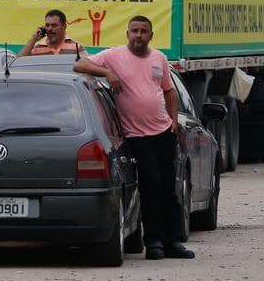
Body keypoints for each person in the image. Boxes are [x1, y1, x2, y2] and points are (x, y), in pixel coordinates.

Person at [73, 15, 194, 261]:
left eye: (144, 31)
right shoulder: (114, 56)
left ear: (151, 35)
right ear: (127, 34)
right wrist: (108, 73)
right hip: (137, 136)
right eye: (135, 31)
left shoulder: (158, 58)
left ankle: (173, 242)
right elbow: (80, 66)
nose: (139, 35)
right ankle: (154, 243)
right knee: (150, 186)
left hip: (163, 131)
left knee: (169, 189)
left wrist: (172, 121)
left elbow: (169, 92)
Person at [19, 9, 88, 57]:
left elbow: (86, 70)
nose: (49, 29)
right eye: (47, 25)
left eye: (54, 25)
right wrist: (33, 39)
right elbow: (19, 63)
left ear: (64, 26)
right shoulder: (37, 48)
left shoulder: (77, 47)